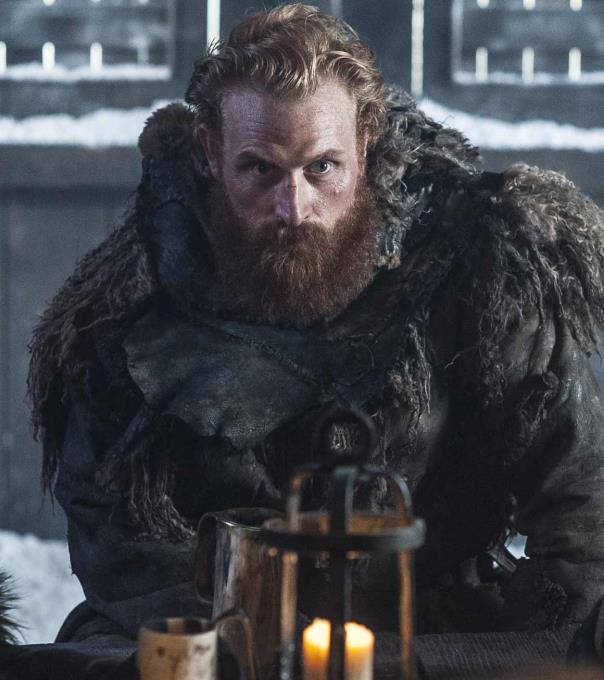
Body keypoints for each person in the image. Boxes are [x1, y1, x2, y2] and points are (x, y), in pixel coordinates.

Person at [13, 1, 604, 670]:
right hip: (217, 636)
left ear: (365, 142)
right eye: (260, 170)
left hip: (427, 637)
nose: (293, 208)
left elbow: (584, 520)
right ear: (210, 151)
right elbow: (123, 554)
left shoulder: (478, 267)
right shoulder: (126, 304)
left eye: (321, 168)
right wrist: (260, 648)